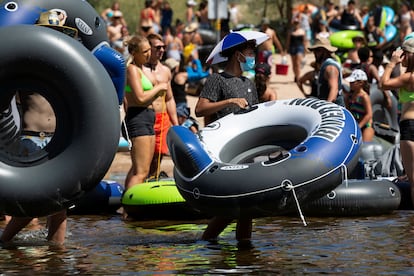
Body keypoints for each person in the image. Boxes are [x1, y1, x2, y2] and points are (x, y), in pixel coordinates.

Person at [195, 36, 261, 241]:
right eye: (249, 53)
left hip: (247, 148)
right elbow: (200, 109)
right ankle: (207, 242)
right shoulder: (217, 79)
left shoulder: (249, 82)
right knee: (235, 204)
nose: (252, 57)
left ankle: (244, 248)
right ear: (237, 54)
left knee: (247, 206)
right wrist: (229, 101)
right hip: (225, 148)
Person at [1, 93, 67, 245]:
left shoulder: (61, 73)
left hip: (58, 139)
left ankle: (56, 254)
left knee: (61, 203)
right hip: (32, 138)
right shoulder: (27, 71)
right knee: (36, 200)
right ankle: (5, 240)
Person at [123, 35, 168, 191]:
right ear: (135, 53)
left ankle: (129, 204)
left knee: (142, 169)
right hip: (138, 118)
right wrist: (158, 88)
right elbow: (140, 98)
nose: (149, 54)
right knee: (141, 172)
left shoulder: (141, 69)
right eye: (145, 51)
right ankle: (128, 209)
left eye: (149, 50)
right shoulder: (132, 69)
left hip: (148, 118)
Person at [380, 38, 414, 205]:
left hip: (410, 127)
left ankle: (411, 228)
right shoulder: (407, 76)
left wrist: (392, 62)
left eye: (404, 55)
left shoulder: (409, 78)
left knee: (413, 181)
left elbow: (383, 84)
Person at [143, 33, 179, 179]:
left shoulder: (165, 70)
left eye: (163, 47)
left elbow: (169, 99)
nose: (162, 50)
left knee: (159, 155)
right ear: (148, 48)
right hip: (145, 117)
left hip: (162, 118)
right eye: (158, 47)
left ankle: (154, 178)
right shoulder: (138, 69)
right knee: (145, 157)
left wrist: (175, 123)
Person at [308, 37, 344, 106]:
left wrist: (326, 107)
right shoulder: (325, 66)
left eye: (318, 50)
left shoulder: (330, 67)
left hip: (334, 109)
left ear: (325, 51)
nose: (314, 53)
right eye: (314, 50)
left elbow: (334, 90)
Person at [344, 69, 374, 142]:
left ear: (360, 83)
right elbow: (348, 111)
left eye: (352, 82)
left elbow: (369, 114)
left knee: (365, 144)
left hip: (365, 125)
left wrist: (359, 126)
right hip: (354, 123)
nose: (350, 84)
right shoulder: (349, 96)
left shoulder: (364, 97)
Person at [286, 15, 306, 83]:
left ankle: (298, 78)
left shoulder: (302, 31)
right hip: (292, 48)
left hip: (300, 47)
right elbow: (288, 41)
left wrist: (305, 50)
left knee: (298, 63)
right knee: (294, 64)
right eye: (295, 23)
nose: (296, 24)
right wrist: (286, 49)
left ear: (299, 23)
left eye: (297, 23)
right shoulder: (290, 32)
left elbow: (304, 42)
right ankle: (296, 75)